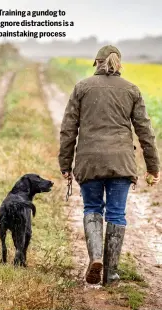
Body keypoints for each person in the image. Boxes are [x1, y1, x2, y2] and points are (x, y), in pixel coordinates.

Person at [58, 45, 160, 285]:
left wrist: (65, 163)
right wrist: (153, 167)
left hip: (89, 161)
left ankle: (95, 258)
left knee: (92, 208)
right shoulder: (131, 90)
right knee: (116, 213)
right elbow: (145, 132)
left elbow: (68, 129)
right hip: (121, 163)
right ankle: (111, 273)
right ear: (119, 64)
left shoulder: (82, 87)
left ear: (97, 63)